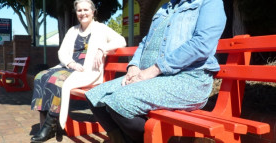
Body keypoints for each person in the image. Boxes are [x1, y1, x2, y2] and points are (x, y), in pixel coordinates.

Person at [84, 0, 227, 142]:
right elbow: (146, 41)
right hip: (155, 78)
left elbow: (202, 44)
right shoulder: (165, 8)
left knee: (119, 103)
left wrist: (153, 70)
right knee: (94, 96)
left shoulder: (209, 2)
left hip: (190, 79)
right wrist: (133, 66)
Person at [30, 0, 126, 142]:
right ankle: (47, 124)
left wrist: (102, 49)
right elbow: (62, 51)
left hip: (87, 70)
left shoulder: (101, 29)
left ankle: (51, 125)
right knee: (40, 76)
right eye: (79, 10)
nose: (83, 13)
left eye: (86, 10)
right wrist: (70, 63)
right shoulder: (72, 30)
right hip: (71, 66)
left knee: (56, 80)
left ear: (93, 12)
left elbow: (121, 41)